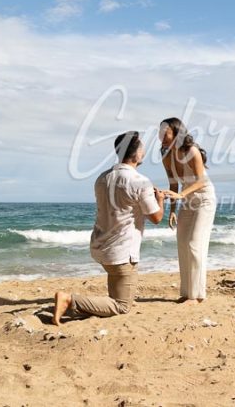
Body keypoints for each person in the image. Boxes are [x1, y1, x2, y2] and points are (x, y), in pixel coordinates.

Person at [53, 131, 164, 325]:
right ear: (137, 154)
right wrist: (160, 200)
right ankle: (69, 299)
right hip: (122, 252)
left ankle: (103, 302)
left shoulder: (102, 178)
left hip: (101, 246)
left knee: (117, 288)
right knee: (122, 306)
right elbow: (156, 217)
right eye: (143, 149)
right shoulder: (140, 181)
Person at [159, 118, 216, 304]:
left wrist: (181, 195)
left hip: (204, 199)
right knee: (183, 244)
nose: (161, 136)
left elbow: (201, 181)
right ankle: (187, 293)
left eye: (165, 132)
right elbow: (173, 184)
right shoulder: (166, 156)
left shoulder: (192, 151)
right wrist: (172, 210)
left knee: (194, 244)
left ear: (176, 134)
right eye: (160, 132)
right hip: (187, 201)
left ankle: (197, 295)